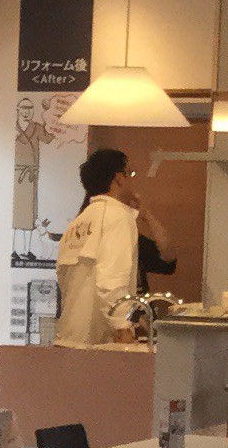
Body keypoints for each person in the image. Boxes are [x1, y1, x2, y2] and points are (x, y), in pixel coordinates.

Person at [55, 144, 169, 345]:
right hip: (98, 342)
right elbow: (112, 278)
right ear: (119, 178)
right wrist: (122, 325)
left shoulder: (77, 223)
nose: (133, 180)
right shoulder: (117, 216)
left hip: (69, 336)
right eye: (130, 173)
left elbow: (63, 278)